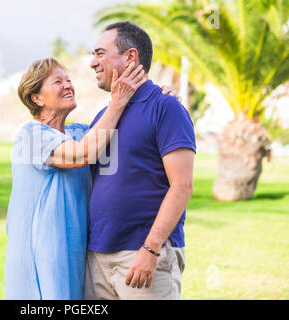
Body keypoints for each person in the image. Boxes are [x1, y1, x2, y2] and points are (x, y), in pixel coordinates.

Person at [4, 58, 147, 299]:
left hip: (74, 254)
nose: (68, 85)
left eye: (68, 79)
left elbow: (119, 129)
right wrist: (117, 101)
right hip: (40, 257)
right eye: (57, 81)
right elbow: (82, 155)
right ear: (37, 98)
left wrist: (162, 98)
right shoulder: (31, 135)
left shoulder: (79, 133)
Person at [84, 21, 196, 300]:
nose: (92, 63)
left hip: (142, 255)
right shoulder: (103, 116)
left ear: (131, 57)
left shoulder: (165, 107)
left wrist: (151, 249)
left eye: (100, 53)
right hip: (97, 258)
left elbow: (182, 185)